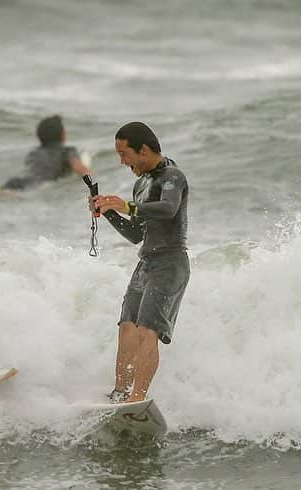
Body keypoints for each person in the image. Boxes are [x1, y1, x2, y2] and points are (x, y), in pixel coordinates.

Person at [89, 122, 190, 403]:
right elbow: (136, 234)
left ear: (143, 150)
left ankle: (137, 397)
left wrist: (127, 206)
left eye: (124, 154)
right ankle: (120, 392)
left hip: (170, 263)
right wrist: (108, 211)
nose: (122, 161)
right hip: (145, 263)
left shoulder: (173, 177)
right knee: (127, 326)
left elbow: (168, 210)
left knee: (148, 329)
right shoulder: (140, 184)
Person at [0, 115, 90, 204]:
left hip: (20, 180)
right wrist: (92, 177)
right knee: (12, 194)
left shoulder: (34, 153)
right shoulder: (67, 151)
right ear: (62, 134)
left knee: (4, 190)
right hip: (40, 184)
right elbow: (78, 167)